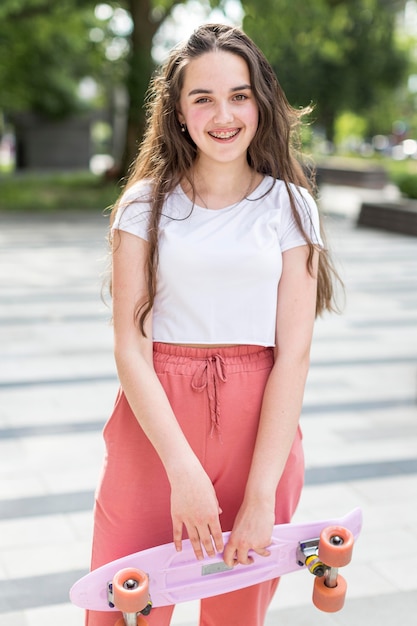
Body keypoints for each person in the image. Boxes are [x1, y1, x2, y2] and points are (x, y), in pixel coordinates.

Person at [87, 23, 338, 626]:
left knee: (235, 615)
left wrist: (258, 494)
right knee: (124, 609)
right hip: (155, 426)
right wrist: (183, 471)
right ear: (177, 112)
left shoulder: (290, 206)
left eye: (239, 95)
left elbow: (294, 353)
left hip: (260, 428)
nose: (222, 114)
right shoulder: (145, 204)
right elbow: (129, 346)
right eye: (202, 97)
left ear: (261, 103)